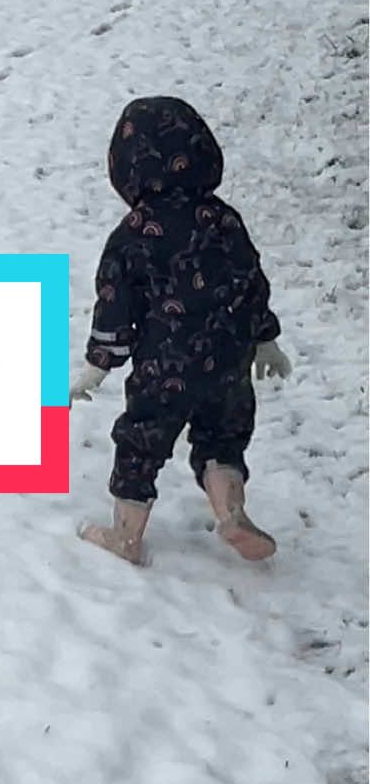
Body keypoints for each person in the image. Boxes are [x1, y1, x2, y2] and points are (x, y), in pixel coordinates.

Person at [71, 97, 290, 565]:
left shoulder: (133, 234)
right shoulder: (224, 219)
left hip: (164, 369)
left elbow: (115, 306)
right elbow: (250, 279)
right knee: (222, 436)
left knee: (141, 442)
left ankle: (126, 536)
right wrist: (266, 338)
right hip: (230, 359)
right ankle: (230, 512)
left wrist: (97, 366)